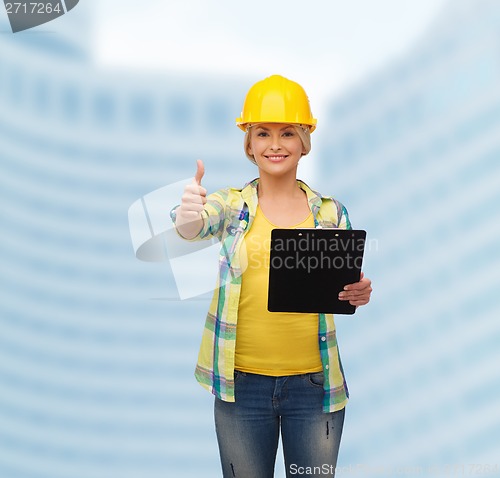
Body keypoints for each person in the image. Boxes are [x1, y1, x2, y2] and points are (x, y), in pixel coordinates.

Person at [171, 75, 372, 478]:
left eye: (287, 133)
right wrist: (189, 215)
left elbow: (346, 284)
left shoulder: (331, 214)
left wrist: (359, 291)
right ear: (249, 144)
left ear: (304, 142)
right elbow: (193, 228)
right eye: (262, 133)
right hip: (242, 387)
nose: (275, 144)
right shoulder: (230, 206)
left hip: (314, 387)